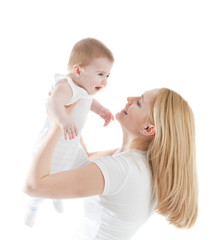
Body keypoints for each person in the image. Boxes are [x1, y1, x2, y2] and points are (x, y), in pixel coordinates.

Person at [23, 88, 198, 239]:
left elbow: (32, 186)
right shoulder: (138, 162)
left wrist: (56, 125)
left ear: (148, 129)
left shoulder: (122, 170)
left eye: (139, 102)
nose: (130, 99)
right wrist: (69, 115)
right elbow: (83, 162)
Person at [24, 38, 114, 227]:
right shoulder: (66, 86)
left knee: (74, 172)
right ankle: (32, 208)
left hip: (72, 146)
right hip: (55, 147)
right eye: (100, 74)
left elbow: (88, 101)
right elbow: (54, 104)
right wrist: (64, 121)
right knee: (45, 179)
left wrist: (102, 111)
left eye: (107, 75)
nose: (104, 81)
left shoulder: (84, 89)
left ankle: (58, 196)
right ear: (78, 70)